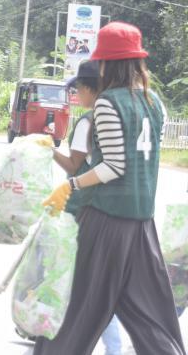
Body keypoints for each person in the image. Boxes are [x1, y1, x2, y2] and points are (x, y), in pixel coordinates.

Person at [35, 21, 185, 355]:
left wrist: (70, 186)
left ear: (108, 63)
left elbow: (114, 167)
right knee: (149, 313)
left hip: (106, 222)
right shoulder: (154, 102)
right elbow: (145, 158)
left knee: (79, 307)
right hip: (142, 224)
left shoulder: (107, 103)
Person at [46, 60, 123, 354]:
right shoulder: (113, 117)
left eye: (78, 88)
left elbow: (73, 166)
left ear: (90, 89)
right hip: (102, 204)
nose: (77, 94)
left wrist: (48, 148)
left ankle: (66, 337)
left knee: (79, 278)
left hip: (79, 204)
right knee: (99, 281)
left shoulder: (87, 122)